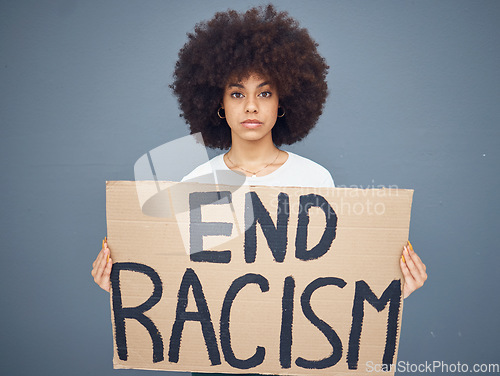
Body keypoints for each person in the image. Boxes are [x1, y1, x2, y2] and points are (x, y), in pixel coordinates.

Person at [91, 4, 427, 374]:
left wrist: (388, 292)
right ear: (217, 103)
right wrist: (125, 287)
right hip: (216, 363)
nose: (251, 106)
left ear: (283, 101)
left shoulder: (316, 181)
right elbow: (185, 283)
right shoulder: (197, 183)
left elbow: (331, 285)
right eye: (237, 94)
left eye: (264, 94)